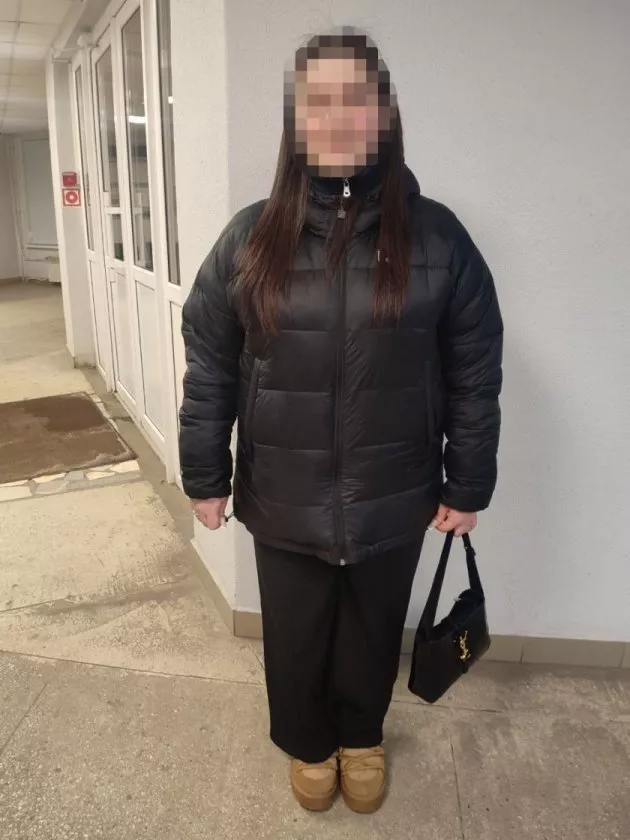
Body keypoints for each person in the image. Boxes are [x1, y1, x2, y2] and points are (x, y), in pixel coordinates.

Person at [179, 27, 503, 815]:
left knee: (371, 629)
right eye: (317, 101)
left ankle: (361, 737)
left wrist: (467, 483)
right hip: (282, 492)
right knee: (294, 637)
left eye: (356, 99)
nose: (336, 117)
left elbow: (473, 372)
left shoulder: (439, 238)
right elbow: (210, 364)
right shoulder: (251, 237)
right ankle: (308, 742)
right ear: (296, 120)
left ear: (384, 114)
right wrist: (205, 475)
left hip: (395, 492)